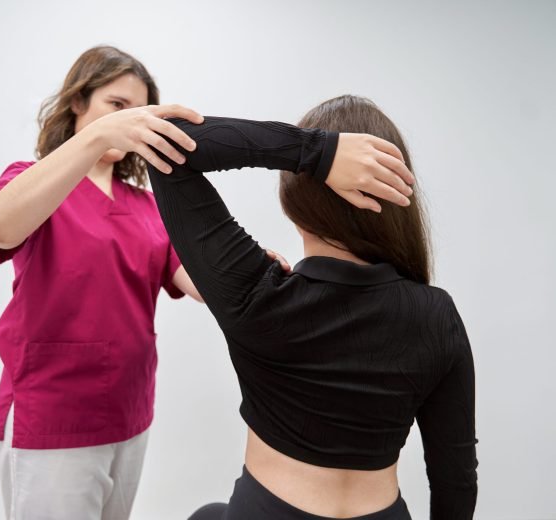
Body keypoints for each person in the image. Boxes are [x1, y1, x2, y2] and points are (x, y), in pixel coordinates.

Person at [0, 43, 416, 520]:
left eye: (140, 110)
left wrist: (256, 277)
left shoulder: (145, 206)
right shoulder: (30, 178)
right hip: (53, 414)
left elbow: (189, 274)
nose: (130, 121)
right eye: (116, 106)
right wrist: (95, 139)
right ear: (77, 104)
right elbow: (1, 228)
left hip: (127, 409)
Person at [145, 96, 478, 519]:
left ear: (294, 199)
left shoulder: (255, 294)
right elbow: (456, 479)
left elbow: (163, 144)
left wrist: (316, 153)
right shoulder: (437, 315)